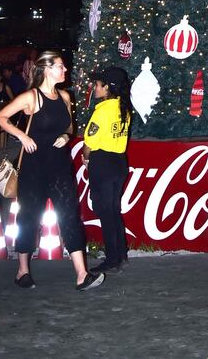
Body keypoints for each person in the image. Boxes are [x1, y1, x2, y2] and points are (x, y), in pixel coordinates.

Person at [0, 50, 105, 291]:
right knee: (29, 217)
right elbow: (2, 117)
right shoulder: (30, 97)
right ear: (46, 69)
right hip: (34, 166)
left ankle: (81, 274)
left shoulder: (65, 96)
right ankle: (22, 270)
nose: (65, 70)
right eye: (60, 66)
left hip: (59, 165)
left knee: (69, 214)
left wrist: (66, 136)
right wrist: (22, 136)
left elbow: (69, 125)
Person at [82, 66, 131, 273]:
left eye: (98, 84)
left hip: (102, 163)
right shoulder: (124, 108)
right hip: (119, 162)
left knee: (105, 212)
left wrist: (86, 158)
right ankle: (121, 254)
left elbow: (89, 143)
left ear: (107, 88)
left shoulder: (102, 111)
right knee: (113, 211)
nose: (95, 87)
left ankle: (112, 260)